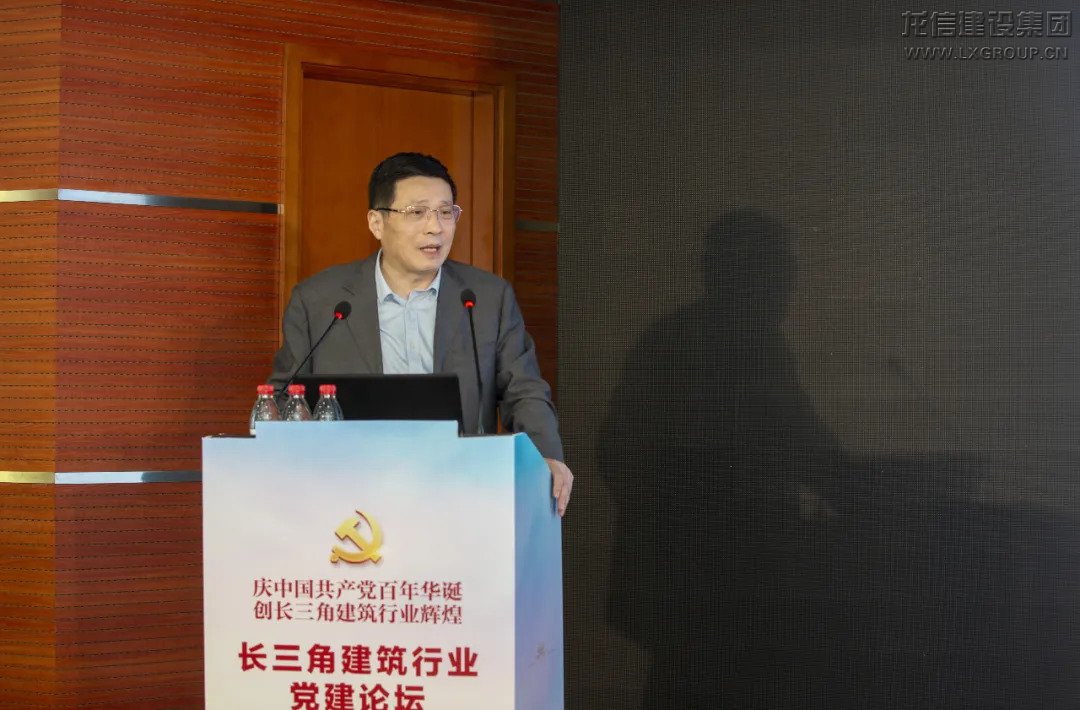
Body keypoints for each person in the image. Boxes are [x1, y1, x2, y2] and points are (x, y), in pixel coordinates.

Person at [268, 152, 572, 516]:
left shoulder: (486, 298)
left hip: (459, 491)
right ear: (376, 222)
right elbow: (283, 397)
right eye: (417, 212)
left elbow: (524, 391)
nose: (435, 227)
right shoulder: (320, 301)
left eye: (446, 212)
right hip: (345, 495)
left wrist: (546, 456)